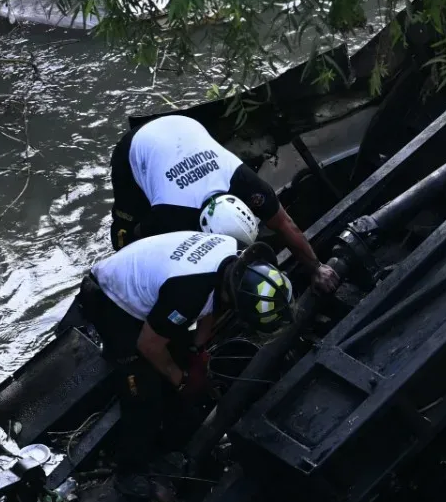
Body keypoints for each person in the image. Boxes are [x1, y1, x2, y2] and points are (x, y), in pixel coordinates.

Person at [77, 230, 295, 459]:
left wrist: (197, 350)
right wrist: (180, 381)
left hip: (152, 283)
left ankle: (175, 419)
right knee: (142, 394)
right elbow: (149, 345)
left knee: (176, 357)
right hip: (108, 299)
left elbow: (213, 303)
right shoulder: (188, 293)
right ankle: (131, 470)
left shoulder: (235, 255)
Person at [110, 113, 338, 291]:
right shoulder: (171, 216)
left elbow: (284, 224)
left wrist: (316, 267)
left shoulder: (244, 181)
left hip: (183, 127)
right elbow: (152, 251)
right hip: (136, 147)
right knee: (127, 232)